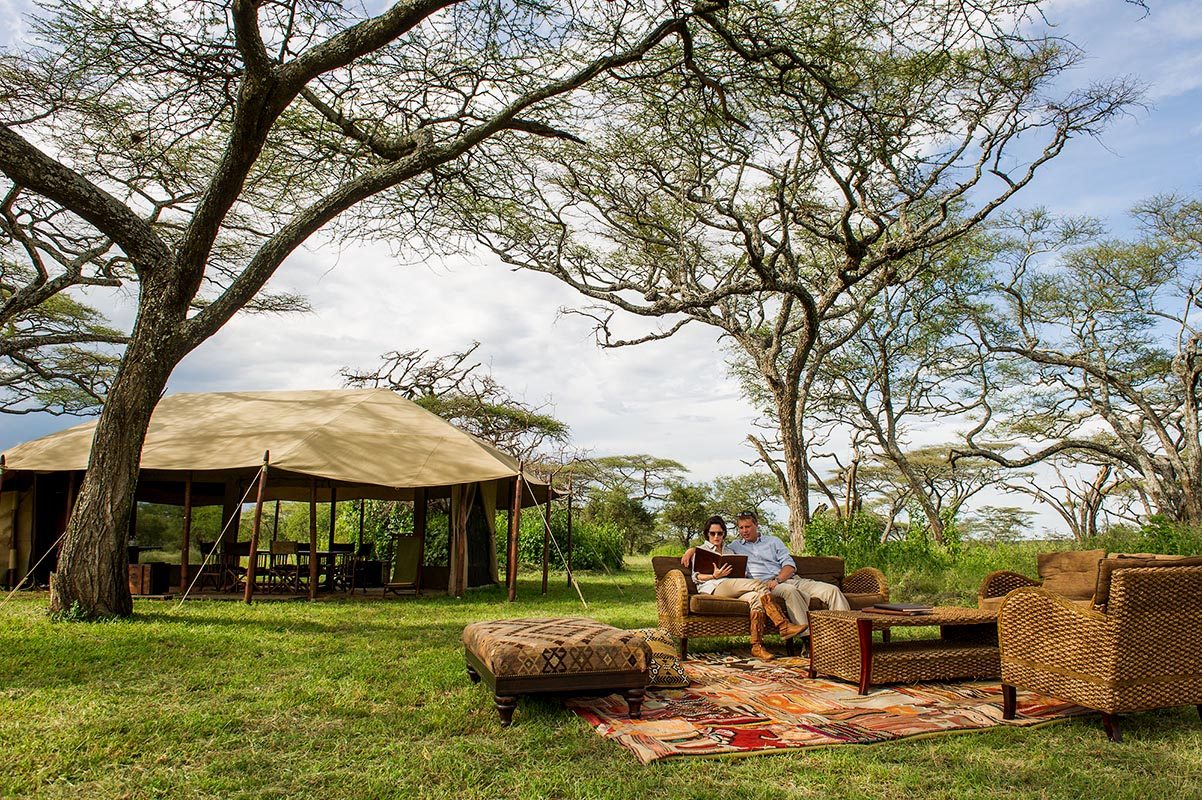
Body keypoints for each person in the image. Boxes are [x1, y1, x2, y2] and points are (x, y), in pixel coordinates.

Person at [681, 515, 804, 660]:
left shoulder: (730, 551)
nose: (716, 536)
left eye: (719, 533)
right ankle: (783, 625)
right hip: (715, 586)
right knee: (758, 584)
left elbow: (740, 571)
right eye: (712, 533)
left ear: (724, 534)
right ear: (707, 534)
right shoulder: (701, 551)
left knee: (756, 598)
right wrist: (713, 575)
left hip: (734, 586)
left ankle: (757, 646)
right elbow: (696, 577)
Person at [723, 510, 849, 633]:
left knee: (832, 591)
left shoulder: (773, 541)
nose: (744, 531)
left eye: (748, 527)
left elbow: (789, 565)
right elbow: (720, 553)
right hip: (767, 586)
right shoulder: (734, 547)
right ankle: (808, 638)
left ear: (756, 525)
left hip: (789, 579)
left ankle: (848, 634)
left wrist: (778, 580)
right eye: (741, 528)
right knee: (790, 591)